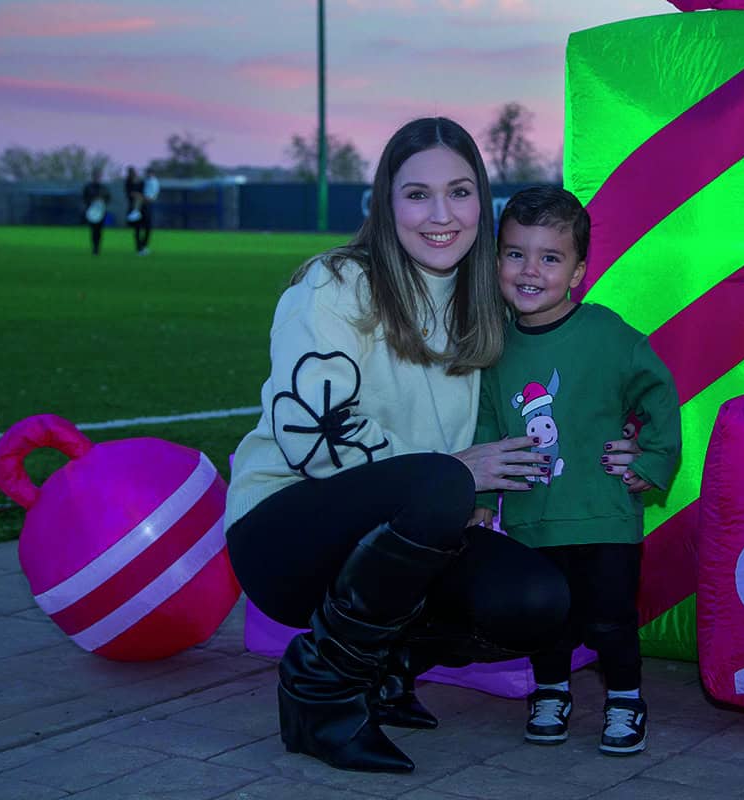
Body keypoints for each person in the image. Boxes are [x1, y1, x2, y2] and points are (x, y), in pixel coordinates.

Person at [224, 118, 644, 775]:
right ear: (386, 204)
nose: (441, 214)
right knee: (446, 486)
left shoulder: (485, 307)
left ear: (483, 201)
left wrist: (617, 437)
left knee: (538, 601)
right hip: (283, 531)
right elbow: (313, 432)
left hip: (415, 523)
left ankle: (388, 667)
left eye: (459, 191)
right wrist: (452, 471)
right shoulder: (334, 286)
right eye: (417, 194)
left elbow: (556, 389)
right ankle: (322, 696)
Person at [470, 186, 681, 756]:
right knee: (549, 618)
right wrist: (484, 498)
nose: (530, 270)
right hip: (534, 516)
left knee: (611, 620)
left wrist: (652, 460)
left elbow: (659, 393)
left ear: (578, 271)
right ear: (496, 262)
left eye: (550, 257)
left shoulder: (609, 335)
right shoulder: (496, 345)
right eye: (515, 254)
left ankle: (625, 700)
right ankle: (551, 690)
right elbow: (488, 423)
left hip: (605, 515)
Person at [81, 167, 110, 255]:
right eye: (96, 175)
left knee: (100, 230)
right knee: (93, 230)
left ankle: (98, 248)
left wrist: (102, 201)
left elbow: (108, 198)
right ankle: (94, 248)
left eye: (99, 176)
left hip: (101, 211)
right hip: (91, 212)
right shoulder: (88, 187)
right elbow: (84, 198)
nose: (97, 177)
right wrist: (92, 201)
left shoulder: (104, 188)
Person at [137, 167, 159, 255]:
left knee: (147, 227)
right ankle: (140, 247)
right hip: (141, 204)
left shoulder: (155, 182)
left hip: (148, 204)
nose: (148, 174)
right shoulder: (144, 181)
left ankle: (144, 246)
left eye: (150, 172)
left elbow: (153, 195)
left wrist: (146, 199)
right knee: (139, 227)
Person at [124, 166, 146, 253]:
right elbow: (130, 194)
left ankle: (142, 246)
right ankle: (139, 248)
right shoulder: (128, 183)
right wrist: (137, 195)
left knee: (143, 228)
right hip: (133, 208)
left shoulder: (140, 183)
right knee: (137, 228)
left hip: (141, 208)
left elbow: (143, 194)